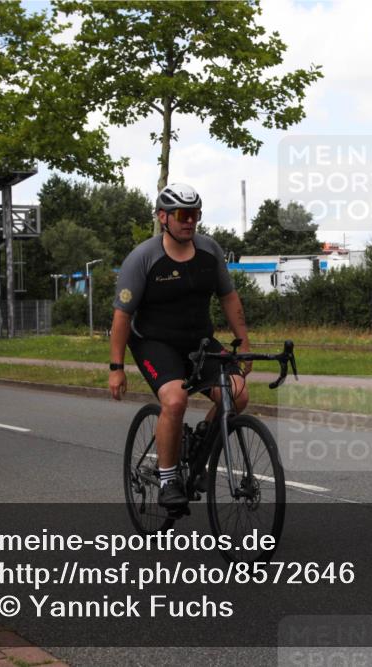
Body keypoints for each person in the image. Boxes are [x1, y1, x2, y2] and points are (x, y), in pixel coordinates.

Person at [109, 183, 252, 509]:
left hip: (198, 342)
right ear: (163, 217)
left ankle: (202, 443)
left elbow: (229, 297)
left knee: (238, 394)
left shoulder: (210, 251)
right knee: (174, 400)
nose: (190, 221)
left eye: (196, 215)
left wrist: (243, 342)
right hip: (154, 342)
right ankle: (168, 478)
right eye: (183, 215)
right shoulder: (143, 258)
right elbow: (121, 316)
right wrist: (116, 367)